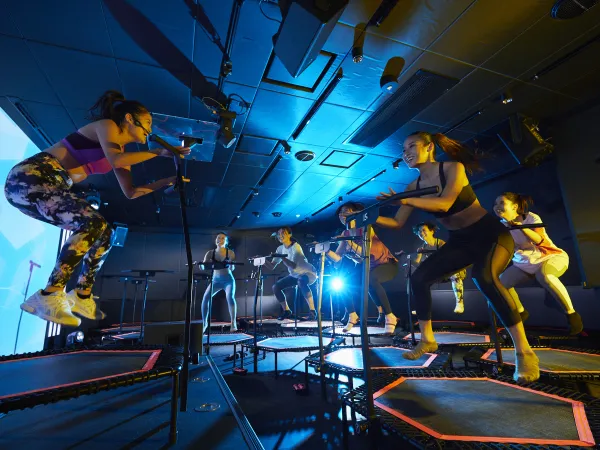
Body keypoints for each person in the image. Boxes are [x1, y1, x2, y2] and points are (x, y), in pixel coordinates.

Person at [4, 90, 190, 327]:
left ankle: (82, 295)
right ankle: (49, 294)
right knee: (92, 223)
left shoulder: (121, 153)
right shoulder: (108, 126)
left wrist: (166, 182)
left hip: (48, 187)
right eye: (147, 122)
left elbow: (131, 192)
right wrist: (156, 152)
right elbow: (116, 161)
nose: (149, 129)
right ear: (130, 119)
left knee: (105, 234)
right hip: (32, 176)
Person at [376, 131, 539, 383]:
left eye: (412, 146)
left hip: (489, 234)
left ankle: (524, 352)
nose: (406, 153)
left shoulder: (453, 168)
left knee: (484, 277)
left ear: (429, 147)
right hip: (460, 241)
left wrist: (407, 201)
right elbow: (397, 223)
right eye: (403, 149)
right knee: (419, 278)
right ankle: (427, 339)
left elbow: (444, 203)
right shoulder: (412, 187)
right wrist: (369, 219)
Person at [494, 193, 583, 335]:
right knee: (500, 283)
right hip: (524, 263)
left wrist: (520, 227)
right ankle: (521, 312)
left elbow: (539, 240)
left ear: (514, 206)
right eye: (495, 204)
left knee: (544, 276)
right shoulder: (500, 226)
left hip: (549, 256)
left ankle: (571, 315)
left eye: (501, 203)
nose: (497, 207)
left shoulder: (531, 218)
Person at [326, 202, 399, 334]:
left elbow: (365, 253)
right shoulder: (345, 233)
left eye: (346, 211)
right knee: (344, 282)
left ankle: (390, 316)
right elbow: (338, 258)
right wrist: (325, 251)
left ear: (355, 213)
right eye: (340, 213)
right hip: (367, 268)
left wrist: (348, 241)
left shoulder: (365, 228)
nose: (342, 215)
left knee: (371, 279)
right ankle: (352, 315)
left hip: (386, 264)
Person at [412, 222, 467, 314]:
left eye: (424, 230)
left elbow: (450, 258)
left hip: (448, 269)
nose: (421, 233)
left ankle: (459, 303)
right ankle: (421, 308)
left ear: (432, 231)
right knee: (418, 280)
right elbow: (417, 264)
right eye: (419, 231)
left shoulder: (440, 243)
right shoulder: (422, 248)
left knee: (455, 274)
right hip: (436, 272)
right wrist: (407, 257)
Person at [264, 227, 318, 320]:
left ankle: (312, 311)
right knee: (276, 287)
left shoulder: (296, 247)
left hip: (308, 273)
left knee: (301, 281)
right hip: (295, 275)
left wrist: (282, 257)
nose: (280, 236)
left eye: (283, 233)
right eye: (279, 234)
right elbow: (272, 266)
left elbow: (293, 265)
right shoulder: (280, 248)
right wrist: (262, 260)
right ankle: (287, 311)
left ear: (289, 234)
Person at [201, 233, 238, 332]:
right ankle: (204, 323)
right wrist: (200, 265)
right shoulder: (210, 253)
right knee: (205, 298)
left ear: (226, 241)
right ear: (215, 240)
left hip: (228, 280)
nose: (220, 240)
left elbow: (232, 269)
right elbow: (204, 267)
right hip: (216, 280)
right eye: (218, 238)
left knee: (230, 297)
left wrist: (231, 264)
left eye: (222, 238)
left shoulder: (230, 253)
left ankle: (233, 322)